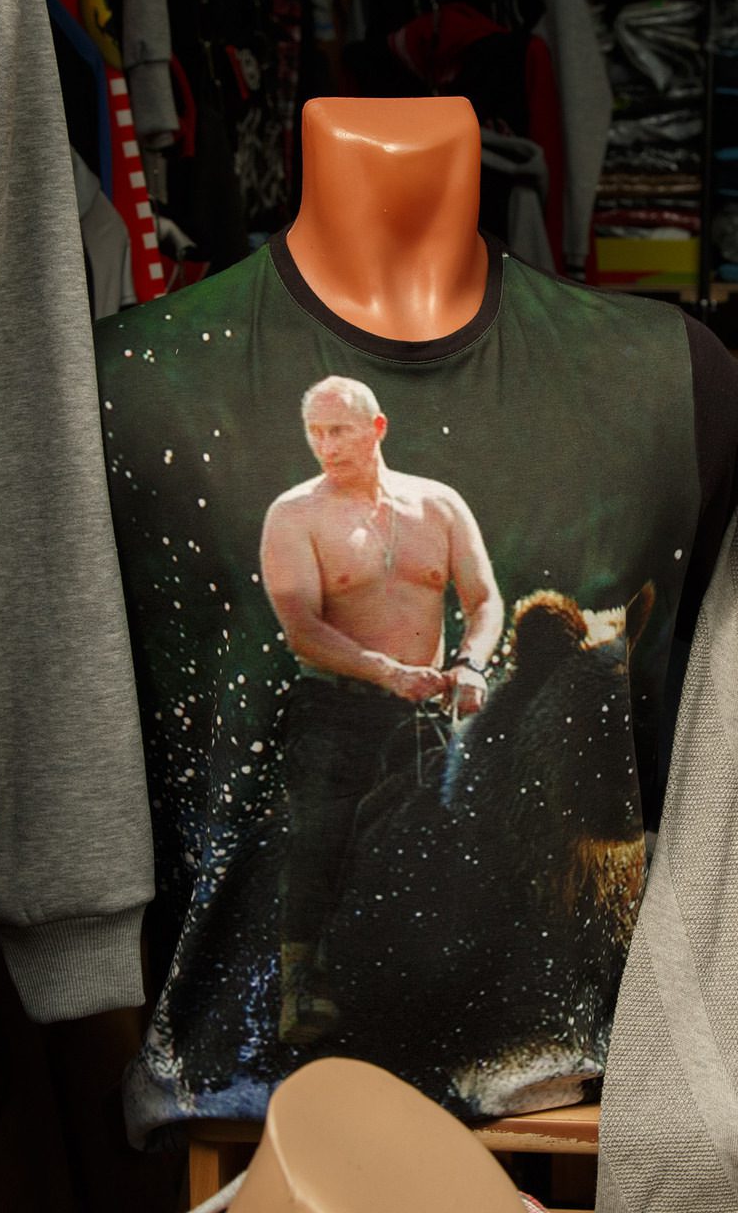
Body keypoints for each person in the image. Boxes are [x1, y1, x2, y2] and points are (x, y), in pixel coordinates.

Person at [259, 376, 503, 1043]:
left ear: (377, 428)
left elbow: (484, 599)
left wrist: (472, 664)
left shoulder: (438, 505)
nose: (326, 445)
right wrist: (384, 671)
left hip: (422, 710)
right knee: (319, 837)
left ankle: (436, 983)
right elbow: (302, 630)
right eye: (315, 433)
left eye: (339, 430)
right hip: (333, 705)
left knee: (445, 837)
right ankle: (300, 985)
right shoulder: (294, 513)